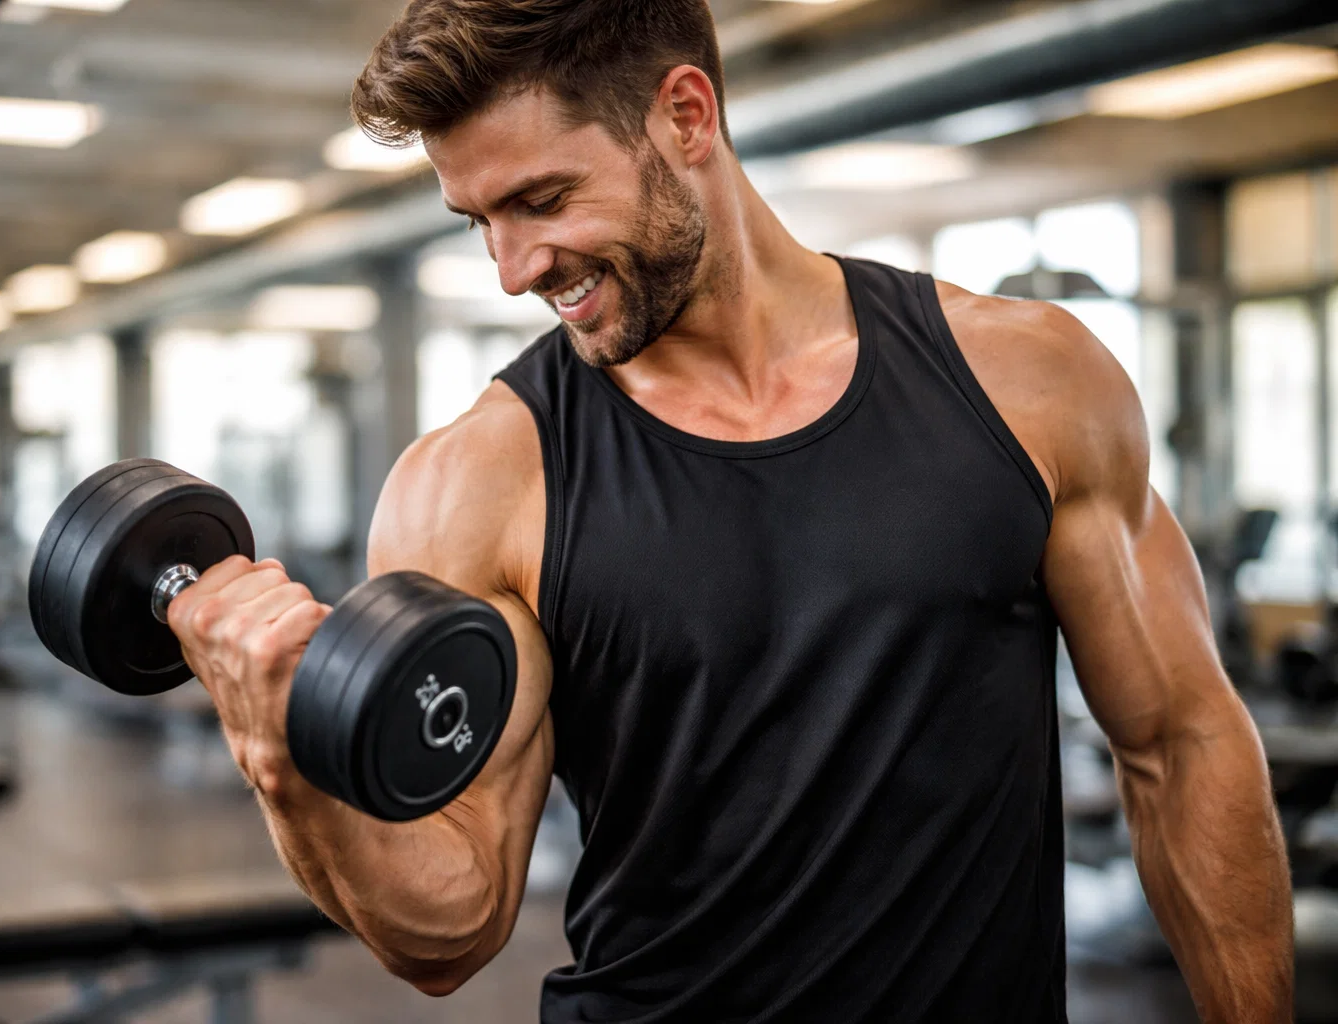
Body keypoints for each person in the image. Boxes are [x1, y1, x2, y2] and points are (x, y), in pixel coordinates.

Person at [167, 1, 1293, 1020]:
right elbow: (452, 925)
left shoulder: (1027, 381)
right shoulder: (479, 483)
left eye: (542, 200)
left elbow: (1180, 741)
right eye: (479, 221)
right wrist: (282, 759)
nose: (513, 269)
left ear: (687, 116)